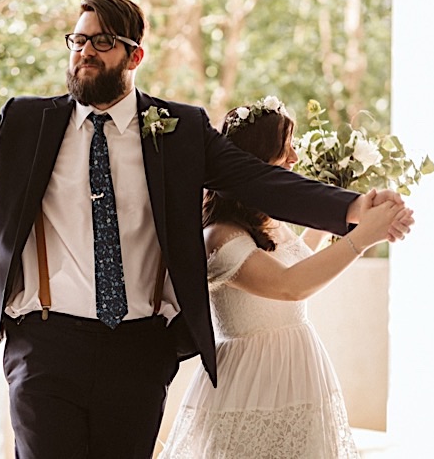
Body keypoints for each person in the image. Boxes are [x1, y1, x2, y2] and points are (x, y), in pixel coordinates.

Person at [0, 0, 412, 458]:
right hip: (45, 351)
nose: (83, 53)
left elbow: (260, 179)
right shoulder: (26, 123)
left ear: (134, 55)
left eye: (100, 42)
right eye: (77, 40)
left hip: (138, 352)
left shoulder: (177, 129)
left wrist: (351, 211)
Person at [159, 97, 399, 458]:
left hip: (300, 373)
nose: (295, 159)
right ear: (255, 161)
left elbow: (300, 260)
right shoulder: (221, 235)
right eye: (285, 149)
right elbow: (290, 285)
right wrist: (363, 236)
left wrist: (341, 211)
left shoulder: (269, 221)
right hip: (253, 386)